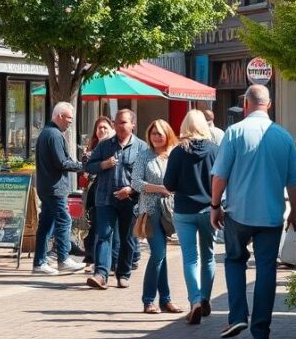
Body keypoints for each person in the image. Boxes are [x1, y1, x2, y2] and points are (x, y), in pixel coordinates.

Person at [211, 84, 296, 339]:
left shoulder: (234, 132)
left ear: (245, 105)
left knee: (234, 260)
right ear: (270, 105)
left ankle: (237, 316)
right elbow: (295, 181)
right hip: (271, 215)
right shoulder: (284, 136)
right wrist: (295, 212)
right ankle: (261, 332)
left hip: (238, 213)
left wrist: (215, 205)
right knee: (266, 269)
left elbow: (220, 175)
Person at [164, 109, 218, 325]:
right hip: (209, 209)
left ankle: (194, 300)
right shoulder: (215, 150)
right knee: (209, 256)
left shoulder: (178, 152)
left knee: (190, 258)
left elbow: (169, 184)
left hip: (184, 210)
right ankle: (205, 297)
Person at [85, 108, 146, 289]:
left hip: (129, 200)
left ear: (133, 125)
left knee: (127, 238)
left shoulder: (141, 147)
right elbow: (89, 166)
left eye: (123, 122)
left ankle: (123, 274)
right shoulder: (104, 146)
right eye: (117, 122)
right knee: (104, 235)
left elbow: (146, 175)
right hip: (105, 199)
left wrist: (131, 189)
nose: (119, 126)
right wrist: (104, 164)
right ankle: (101, 274)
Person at [32, 102, 86, 275]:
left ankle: (40, 262)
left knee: (46, 224)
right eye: (69, 118)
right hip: (55, 187)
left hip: (47, 186)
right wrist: (82, 165)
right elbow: (61, 162)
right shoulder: (54, 134)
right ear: (60, 116)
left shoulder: (48, 133)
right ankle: (63, 258)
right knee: (64, 220)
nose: (71, 122)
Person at [134, 119, 181, 314]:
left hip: (170, 212)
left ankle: (166, 300)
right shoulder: (144, 156)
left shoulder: (174, 155)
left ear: (168, 134)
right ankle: (148, 300)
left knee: (161, 257)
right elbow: (135, 182)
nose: (156, 137)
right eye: (153, 133)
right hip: (151, 211)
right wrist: (158, 188)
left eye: (160, 133)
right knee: (158, 254)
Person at [82, 116, 116, 268]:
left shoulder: (113, 146)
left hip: (110, 192)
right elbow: (86, 170)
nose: (101, 130)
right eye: (99, 128)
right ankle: (92, 257)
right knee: (94, 224)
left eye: (105, 127)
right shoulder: (91, 147)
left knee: (107, 228)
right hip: (92, 191)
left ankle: (111, 261)